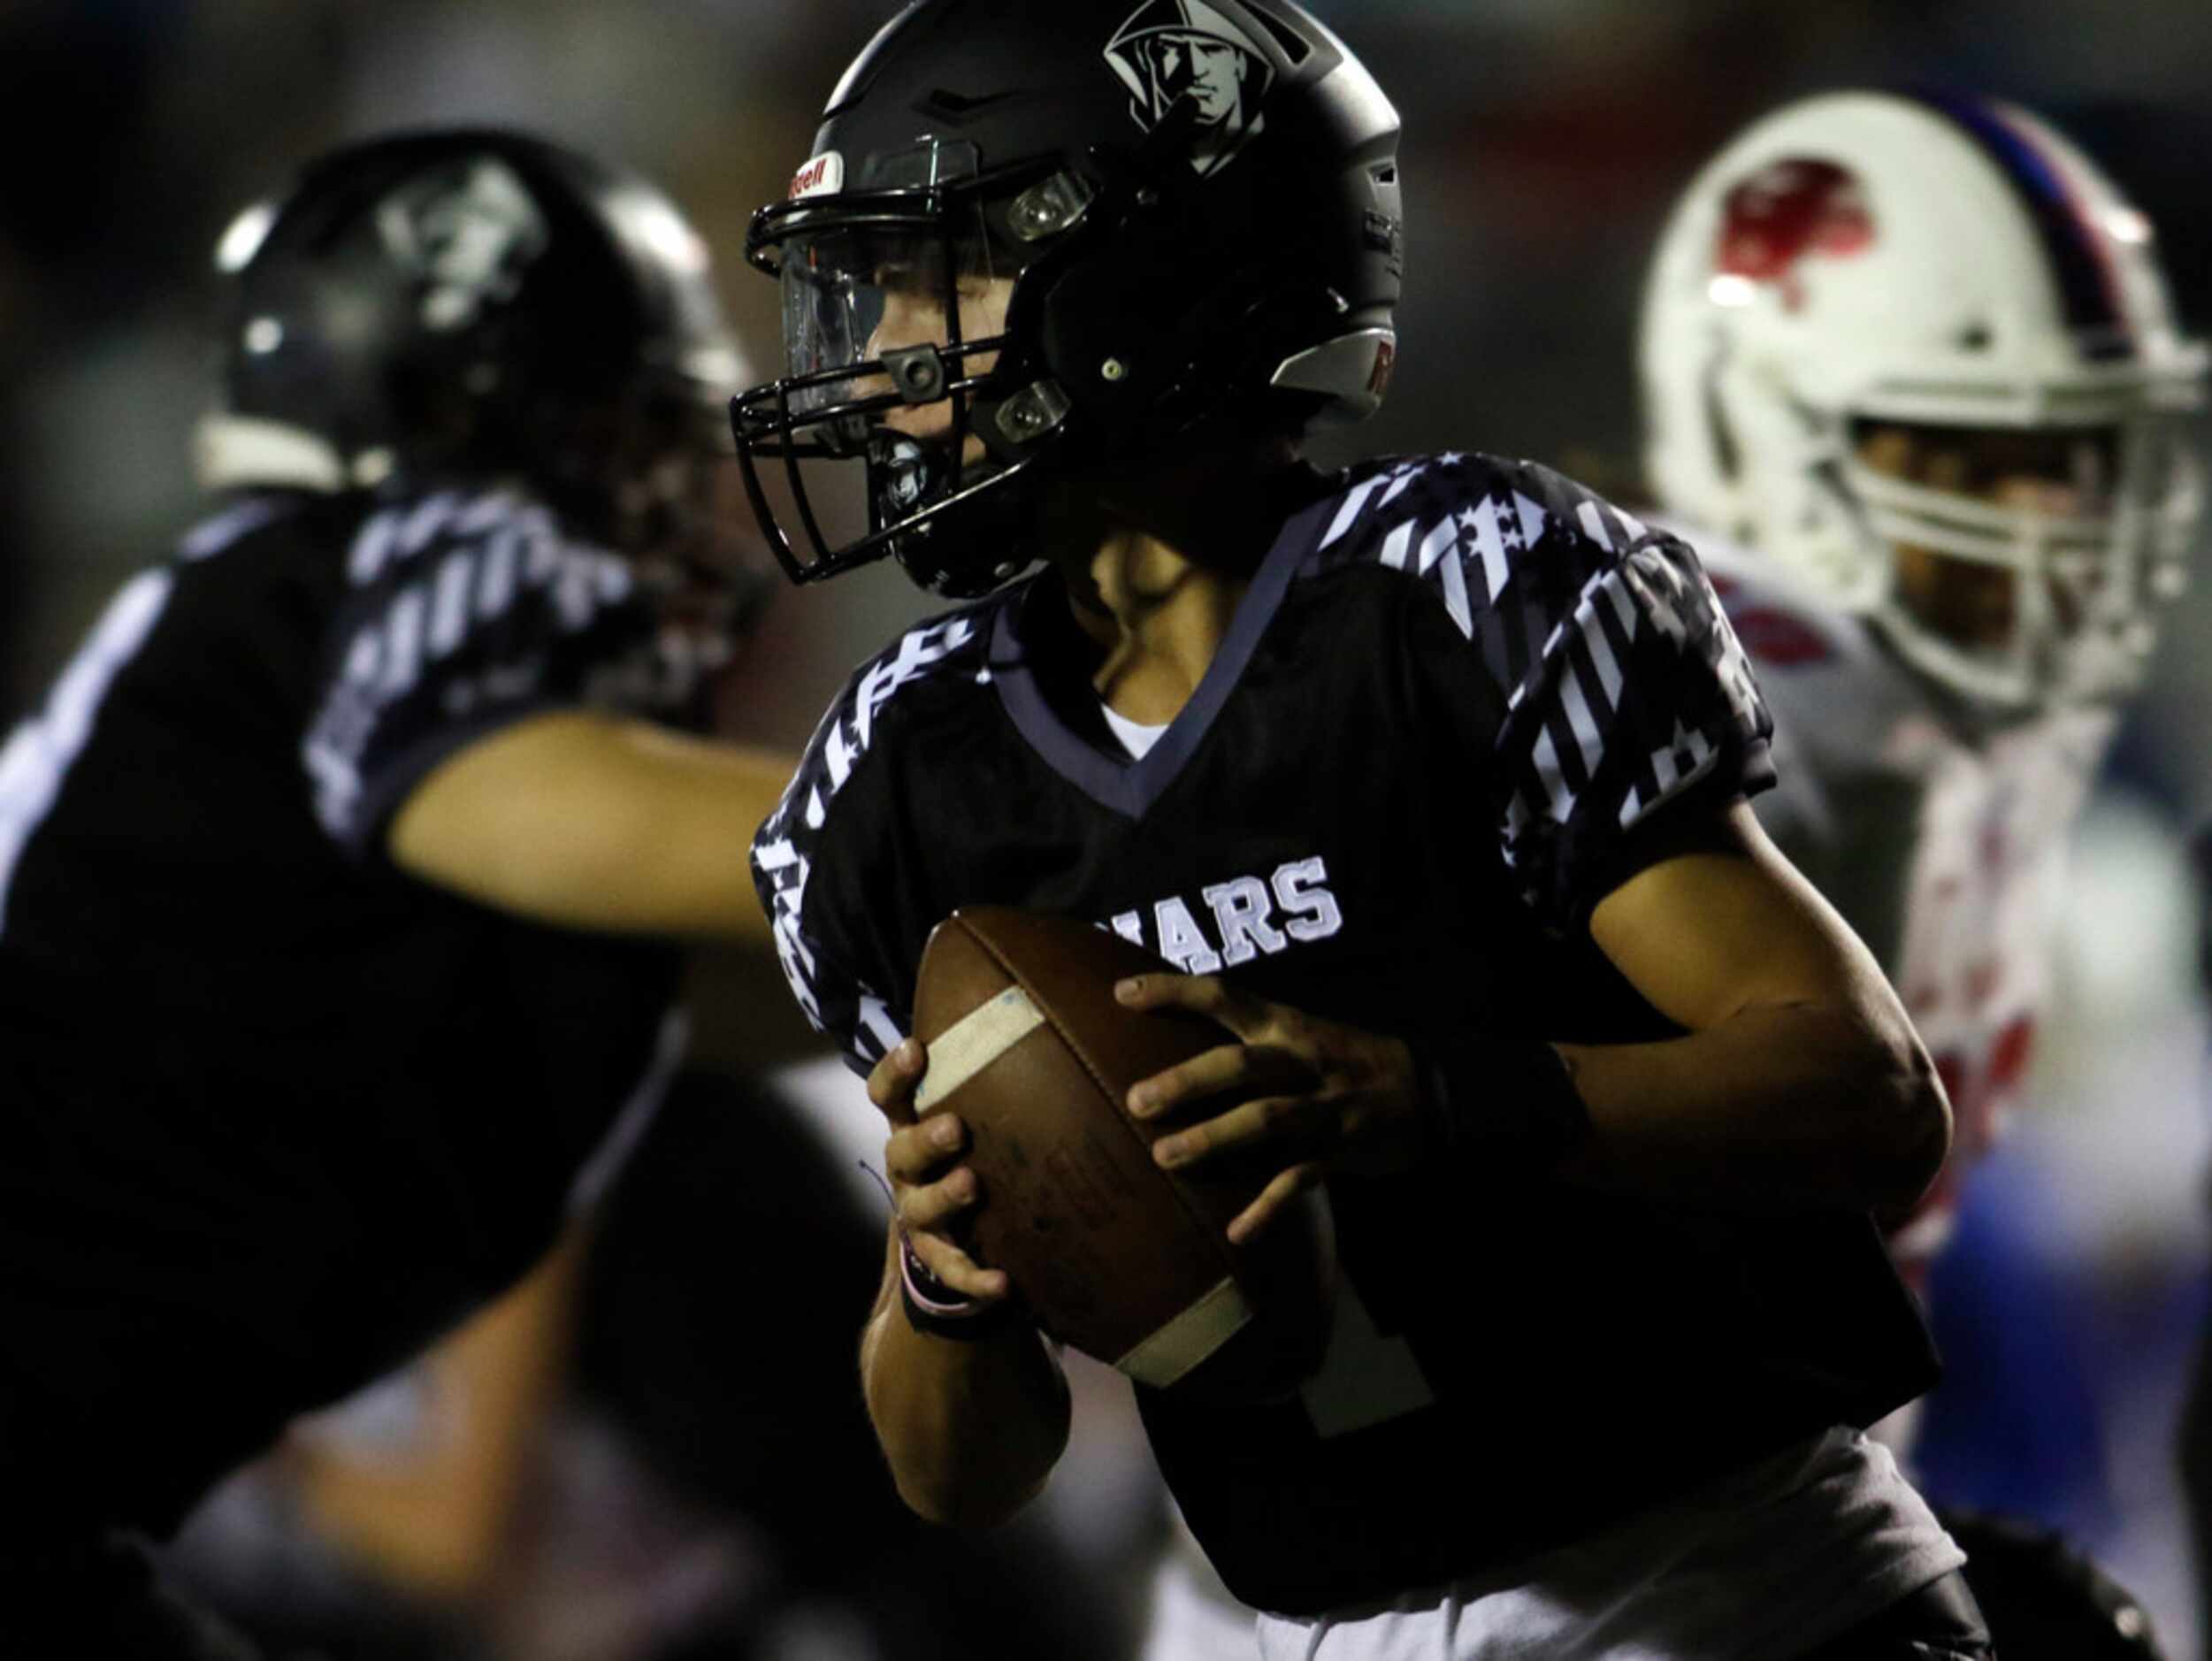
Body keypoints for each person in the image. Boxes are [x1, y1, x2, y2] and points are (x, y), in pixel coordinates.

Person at [735, 4, 1983, 1655]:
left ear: (1147, 262)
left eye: (936, 269)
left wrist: (1422, 1097)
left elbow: (1863, 1089)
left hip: (1733, 1591)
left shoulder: (1457, 587)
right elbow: (955, 1472)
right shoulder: (898, 774)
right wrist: (943, 1277)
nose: (881, 353)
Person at [0, 127, 796, 1656]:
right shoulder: (411, 562)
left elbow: (760, 961)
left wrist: (966, 933)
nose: (680, 491)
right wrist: (1002, 806)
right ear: (491, 421)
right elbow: (481, 773)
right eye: (637, 431)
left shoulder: (290, 774)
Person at [1639, 93, 2204, 1656]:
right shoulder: (1734, 698)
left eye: (2079, 453)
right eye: (1974, 448)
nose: (2052, 519)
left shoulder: (1967, 728)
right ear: (1769, 420)